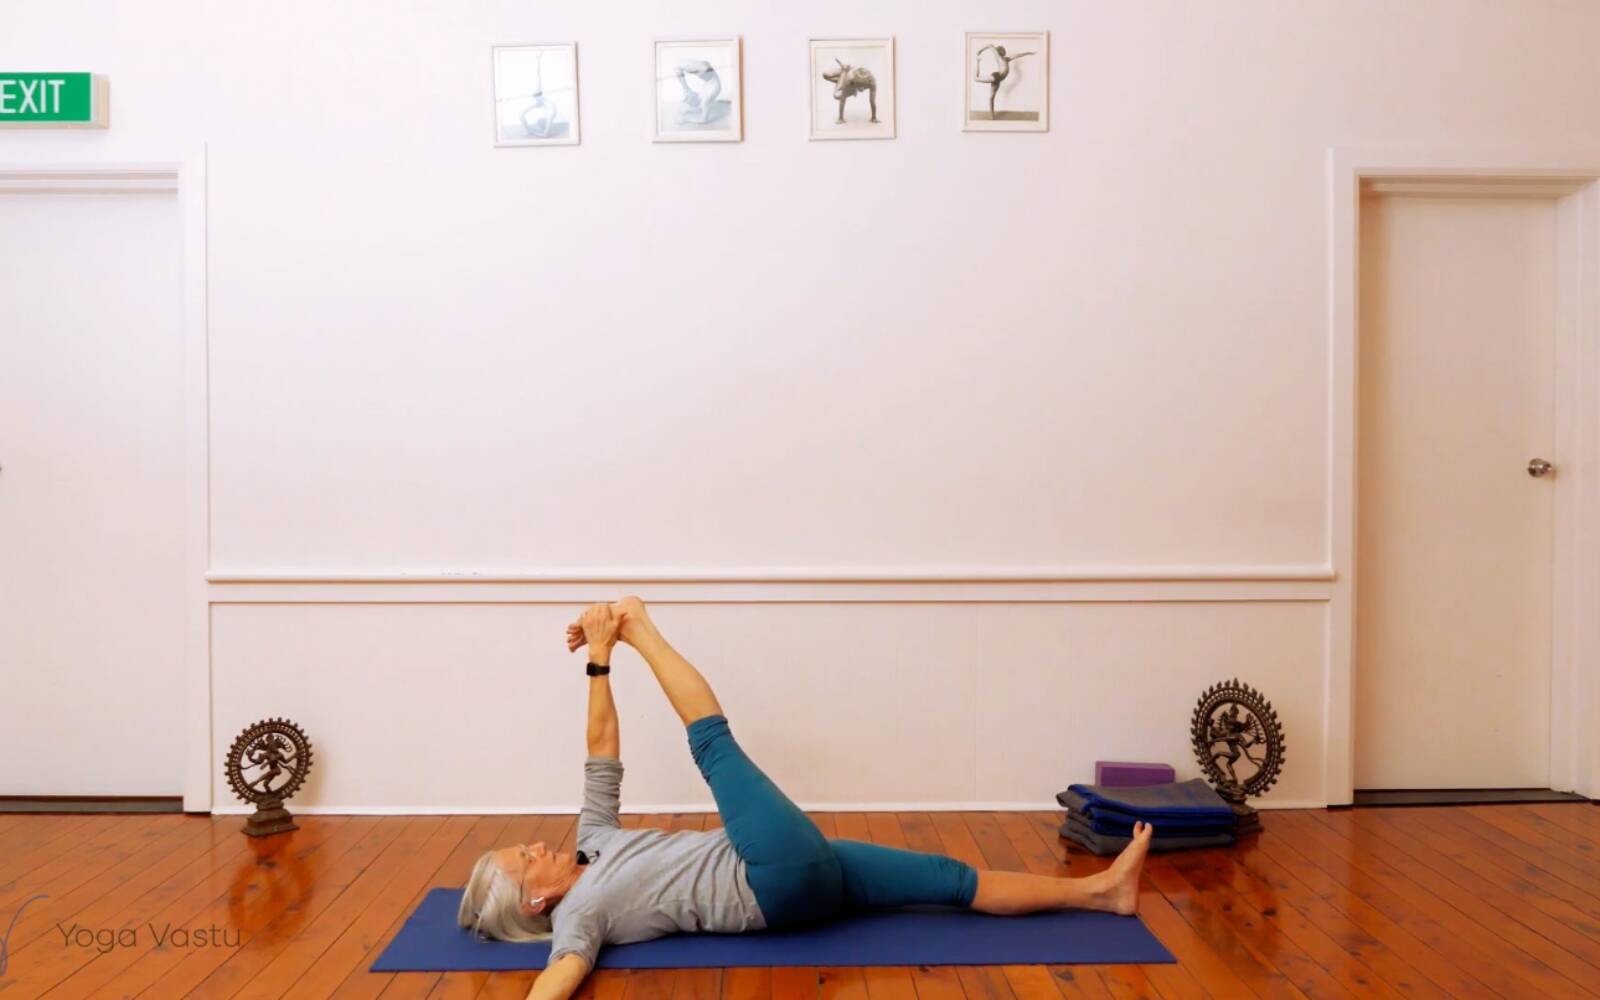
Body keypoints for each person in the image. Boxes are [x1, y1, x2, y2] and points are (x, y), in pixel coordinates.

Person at [459, 598, 1153, 1000]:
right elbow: (559, 980)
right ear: (535, 903)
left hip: (803, 874)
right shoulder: (580, 917)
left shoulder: (592, 841)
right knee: (713, 747)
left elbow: (601, 745)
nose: (537, 844)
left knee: (948, 880)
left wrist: (600, 659)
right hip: (773, 879)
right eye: (526, 858)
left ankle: (1099, 894)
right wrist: (627, 630)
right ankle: (644, 624)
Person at [973, 44, 1036, 119]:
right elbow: (990, 45)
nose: (1004, 50)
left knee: (991, 97)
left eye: (1004, 49)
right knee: (976, 78)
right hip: (996, 76)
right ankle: (978, 61)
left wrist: (1029, 53)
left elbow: (1018, 55)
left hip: (998, 79)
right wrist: (980, 50)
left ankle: (992, 116)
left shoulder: (1007, 59)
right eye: (1002, 50)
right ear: (999, 52)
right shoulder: (998, 57)